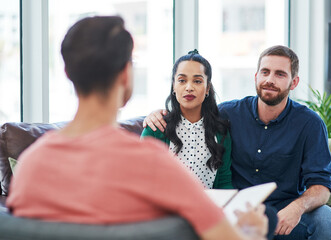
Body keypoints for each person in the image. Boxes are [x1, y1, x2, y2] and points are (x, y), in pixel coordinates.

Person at [6, 16, 268, 240]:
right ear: (125, 76)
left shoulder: (30, 165)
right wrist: (252, 232)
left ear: (67, 73)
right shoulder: (154, 162)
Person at [143, 45, 331, 239]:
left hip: (284, 215)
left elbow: (322, 186)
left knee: (327, 220)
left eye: (280, 74)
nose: (270, 80)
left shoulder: (310, 124)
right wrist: (157, 114)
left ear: (294, 82)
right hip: (239, 214)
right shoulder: (227, 114)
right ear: (256, 77)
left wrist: (296, 209)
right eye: (265, 72)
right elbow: (191, 111)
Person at [141, 50, 233, 189]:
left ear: (207, 88)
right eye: (182, 80)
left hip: (207, 208)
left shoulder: (221, 133)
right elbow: (140, 181)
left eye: (197, 81)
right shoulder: (155, 129)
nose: (189, 87)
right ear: (174, 86)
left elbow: (224, 183)